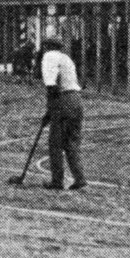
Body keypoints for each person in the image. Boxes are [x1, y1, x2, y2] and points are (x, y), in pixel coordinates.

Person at [38, 37, 86, 191]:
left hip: (63, 101)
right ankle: (79, 178)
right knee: (71, 142)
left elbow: (52, 87)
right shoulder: (66, 58)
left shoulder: (49, 57)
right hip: (76, 100)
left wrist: (50, 111)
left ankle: (57, 181)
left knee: (55, 143)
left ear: (47, 47)